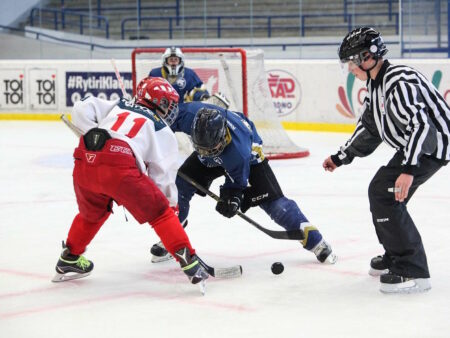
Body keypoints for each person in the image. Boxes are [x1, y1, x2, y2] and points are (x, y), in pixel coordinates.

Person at [323, 27, 450, 294]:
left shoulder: (397, 82)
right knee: (383, 192)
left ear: (368, 58)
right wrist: (341, 156)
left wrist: (408, 169)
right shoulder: (376, 84)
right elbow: (370, 128)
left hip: (431, 146)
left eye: (351, 62)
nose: (350, 70)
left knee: (385, 193)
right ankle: (396, 255)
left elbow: (420, 126)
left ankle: (413, 270)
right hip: (416, 146)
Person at [52, 77, 209, 288]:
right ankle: (190, 262)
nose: (172, 109)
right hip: (120, 166)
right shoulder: (162, 129)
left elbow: (82, 108)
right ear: (161, 103)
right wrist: (171, 208)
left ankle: (69, 258)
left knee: (91, 214)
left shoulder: (119, 104)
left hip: (85, 157)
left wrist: (95, 133)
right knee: (161, 213)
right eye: (170, 103)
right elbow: (163, 177)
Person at [150, 101, 337, 265]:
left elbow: (236, 184)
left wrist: (232, 199)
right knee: (179, 186)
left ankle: (316, 242)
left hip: (249, 158)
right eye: (201, 148)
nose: (208, 153)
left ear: (223, 137)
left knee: (274, 204)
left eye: (211, 148)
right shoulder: (190, 116)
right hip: (215, 148)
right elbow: (160, 124)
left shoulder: (238, 154)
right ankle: (174, 235)